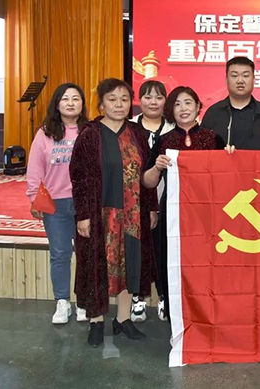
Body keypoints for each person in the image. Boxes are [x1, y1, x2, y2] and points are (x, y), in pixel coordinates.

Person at [70, 78, 158, 347]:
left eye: (124, 99)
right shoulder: (90, 134)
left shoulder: (137, 133)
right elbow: (79, 177)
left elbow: (147, 172)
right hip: (101, 215)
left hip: (133, 215)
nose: (119, 104)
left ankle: (123, 318)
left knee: (129, 264)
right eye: (112, 99)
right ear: (101, 104)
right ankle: (96, 320)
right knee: (98, 266)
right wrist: (83, 215)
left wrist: (151, 208)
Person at [142, 87, 220, 325]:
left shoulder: (213, 138)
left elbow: (227, 175)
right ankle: (174, 313)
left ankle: (205, 313)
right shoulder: (164, 141)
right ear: (170, 110)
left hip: (206, 214)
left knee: (204, 262)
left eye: (188, 103)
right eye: (177, 104)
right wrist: (157, 167)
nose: (183, 108)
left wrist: (229, 155)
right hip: (173, 213)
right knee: (172, 260)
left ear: (197, 107)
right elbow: (147, 181)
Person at [26, 83, 89, 325]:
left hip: (85, 203)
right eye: (65, 98)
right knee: (60, 254)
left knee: (86, 254)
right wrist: (34, 197)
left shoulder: (90, 131)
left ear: (82, 104)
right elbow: (35, 168)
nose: (71, 103)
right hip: (55, 204)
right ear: (57, 103)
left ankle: (84, 301)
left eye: (76, 98)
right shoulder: (45, 133)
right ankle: (62, 301)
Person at [129, 80, 174, 323]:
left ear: (165, 101)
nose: (153, 102)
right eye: (147, 97)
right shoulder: (129, 128)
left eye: (158, 97)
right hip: (133, 202)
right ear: (140, 100)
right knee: (137, 250)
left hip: (166, 200)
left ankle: (164, 296)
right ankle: (138, 297)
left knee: (163, 249)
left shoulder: (173, 128)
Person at [200, 56, 260, 148]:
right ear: (226, 79)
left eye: (245, 76)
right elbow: (202, 149)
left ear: (253, 79)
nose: (240, 81)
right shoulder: (213, 113)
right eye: (234, 76)